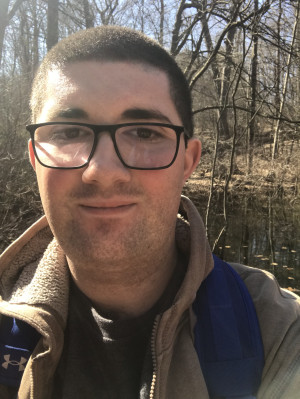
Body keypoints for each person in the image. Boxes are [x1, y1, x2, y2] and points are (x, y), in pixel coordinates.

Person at [0, 25, 299, 399]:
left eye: (144, 133)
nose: (103, 173)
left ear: (188, 162)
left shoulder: (280, 332)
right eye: (68, 132)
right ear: (34, 158)